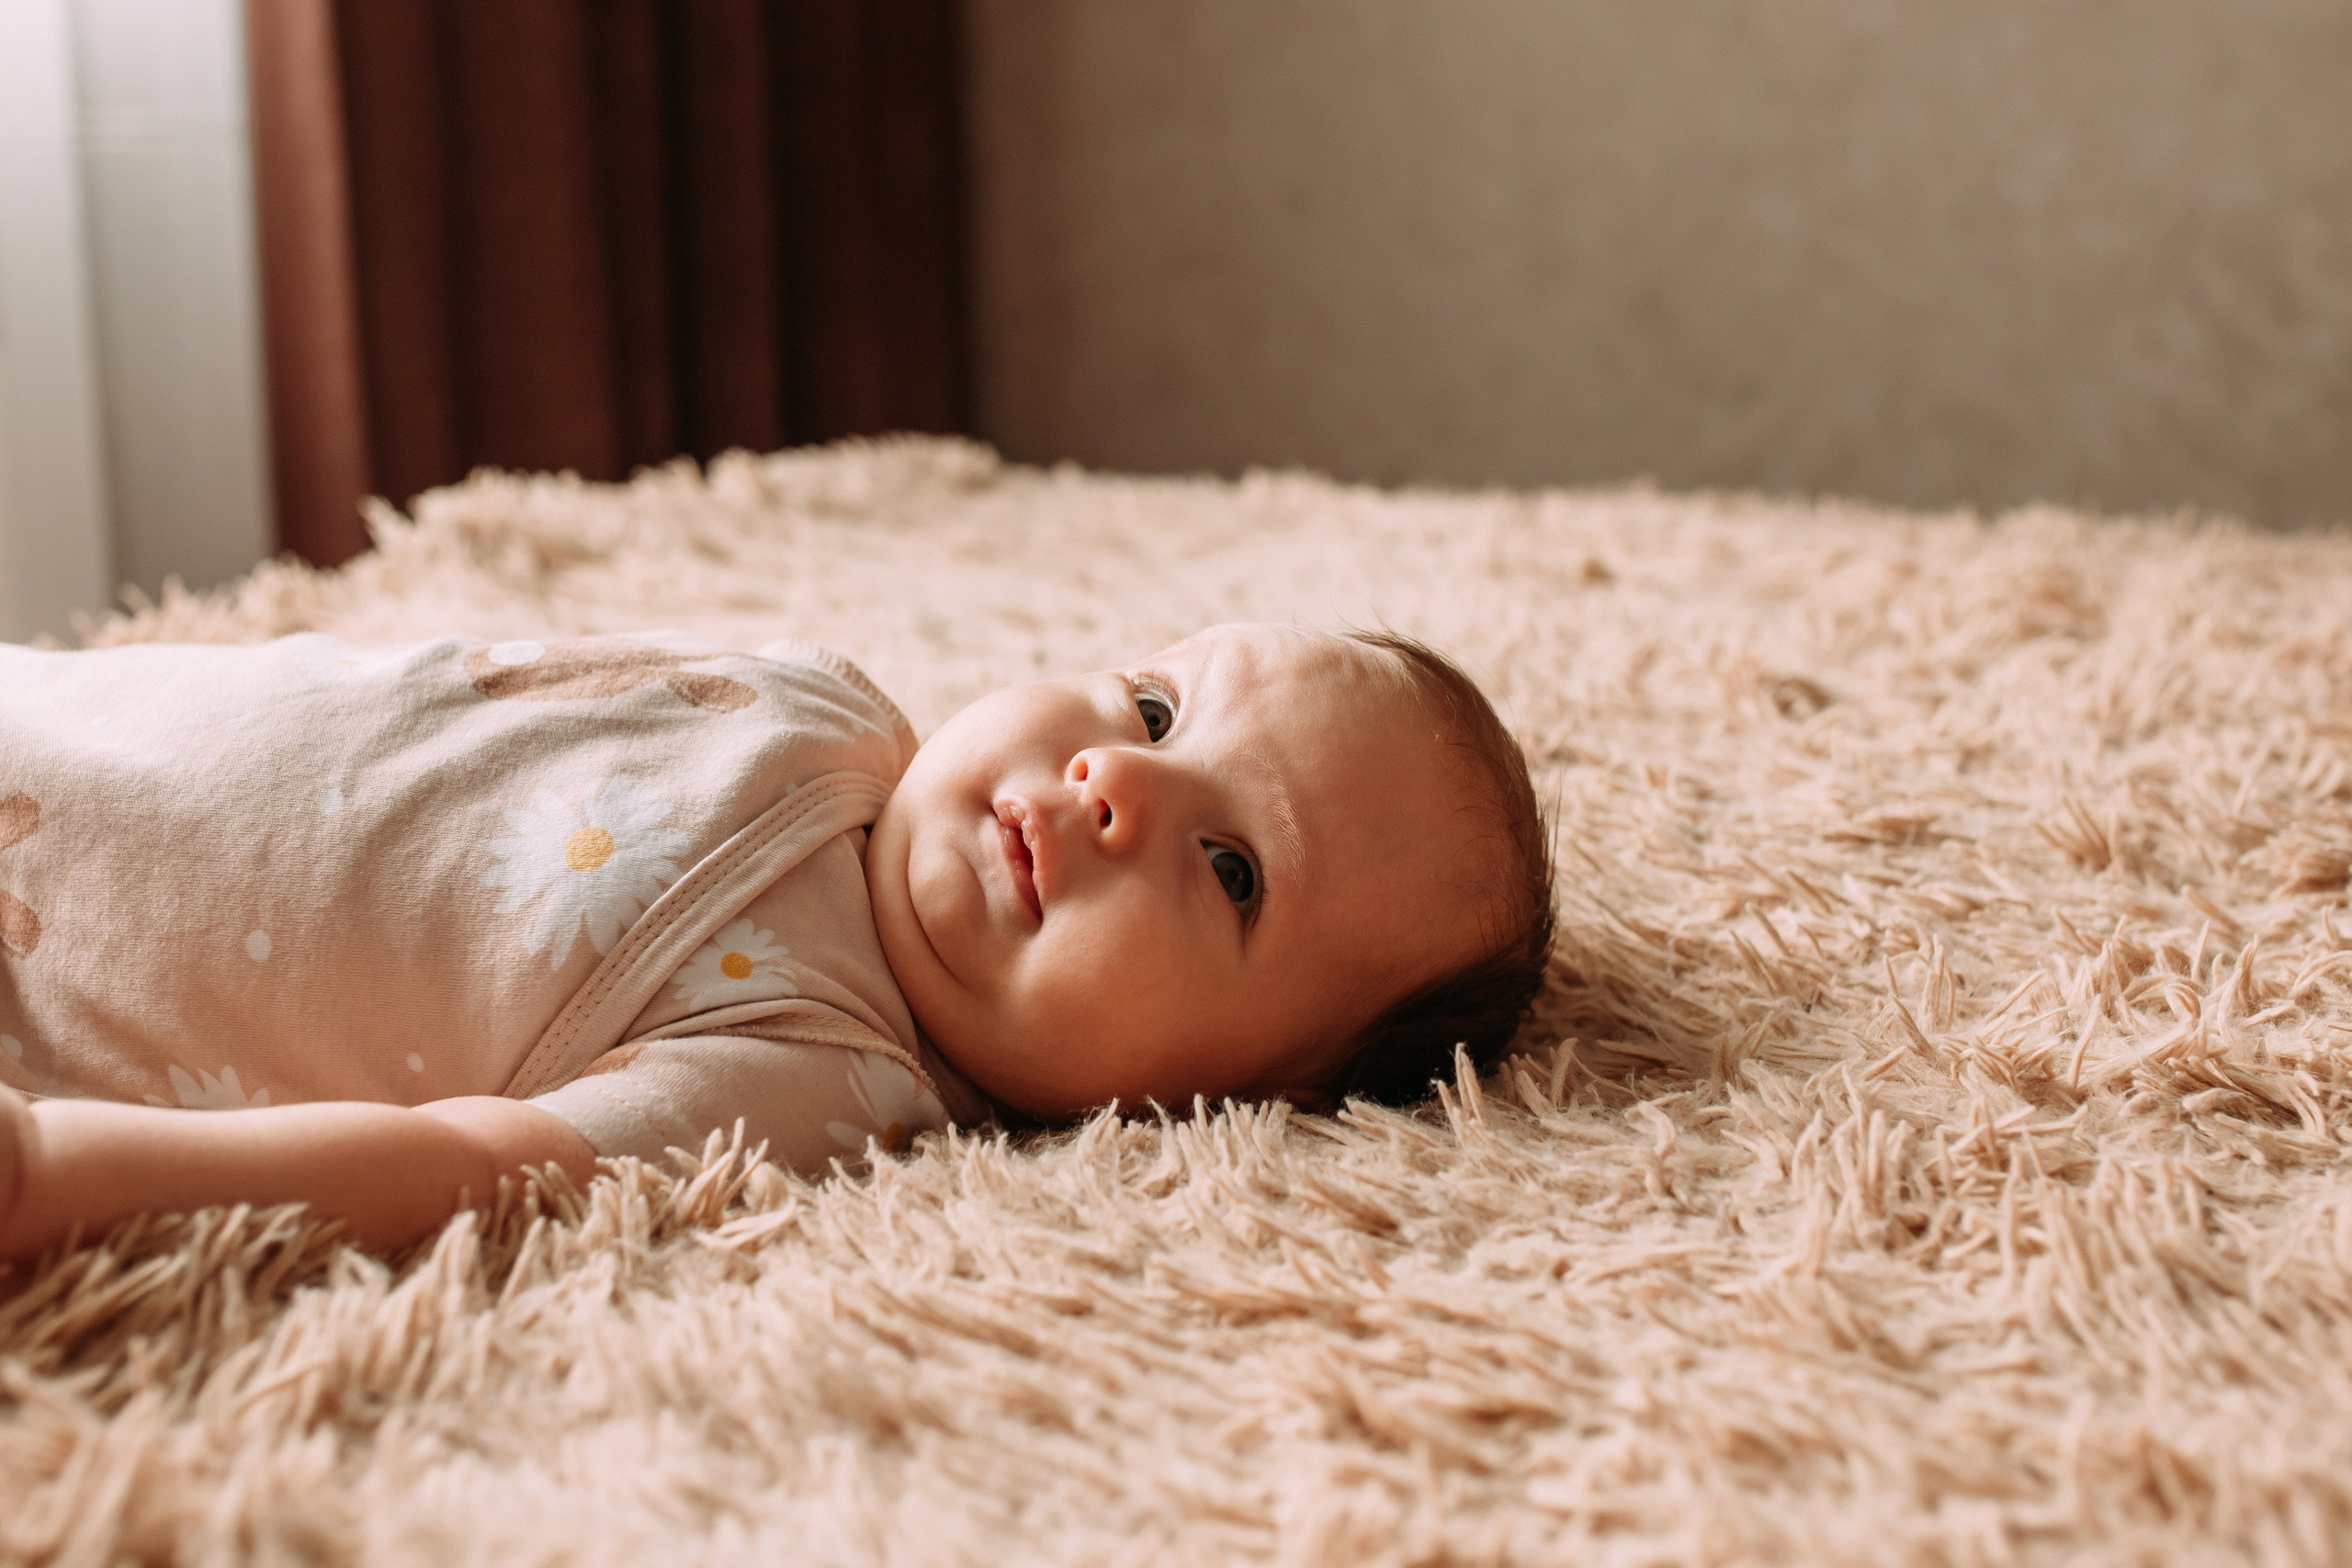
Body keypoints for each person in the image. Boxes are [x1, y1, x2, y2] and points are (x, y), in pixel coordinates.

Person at [0, 623, 1552, 1261]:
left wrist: (60, 1175)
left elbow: (464, 1167)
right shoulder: (828, 703)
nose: (1116, 780)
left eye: (1231, 870)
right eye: (1155, 707)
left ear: (1234, 1099)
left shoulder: (813, 1071)